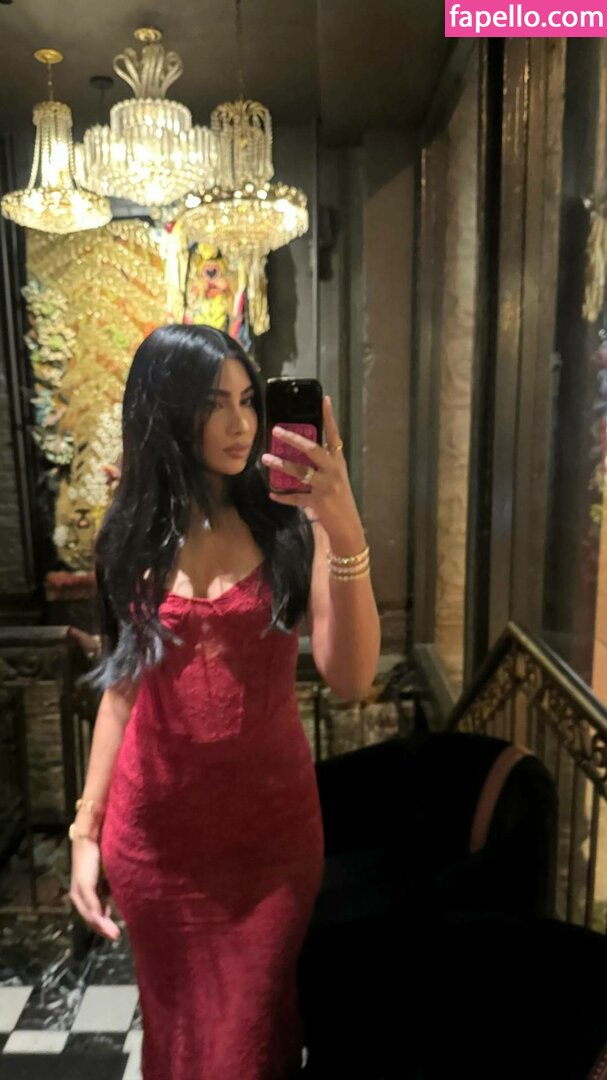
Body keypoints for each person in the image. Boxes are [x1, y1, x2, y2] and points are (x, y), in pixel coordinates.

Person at [68, 323, 381, 1080]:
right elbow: (123, 690)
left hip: (269, 847)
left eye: (249, 400)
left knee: (252, 1041)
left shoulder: (289, 525)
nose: (242, 423)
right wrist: (86, 828)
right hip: (156, 844)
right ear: (166, 411)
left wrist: (342, 526)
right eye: (216, 404)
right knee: (178, 1042)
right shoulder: (130, 537)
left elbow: (349, 677)